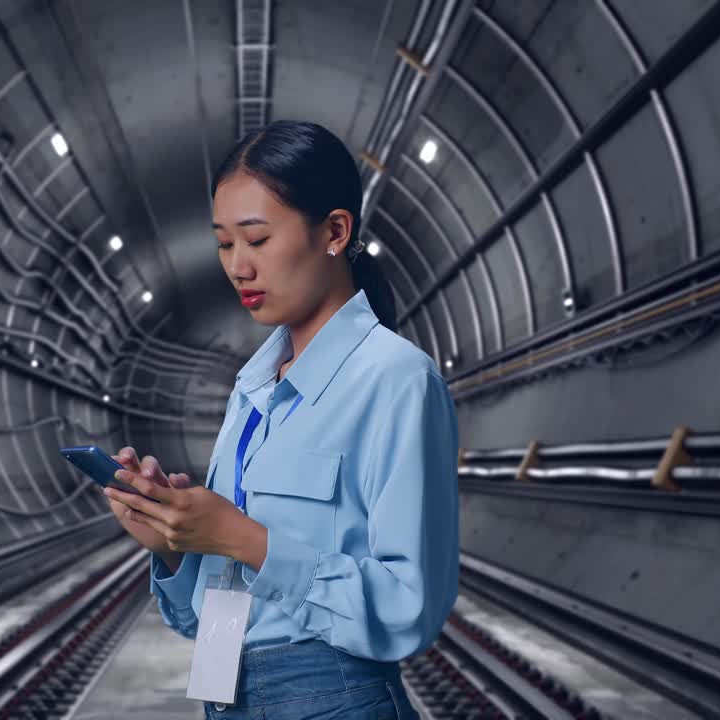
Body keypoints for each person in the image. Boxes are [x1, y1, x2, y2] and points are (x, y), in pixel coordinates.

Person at [103, 119, 460, 719]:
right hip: (224, 691)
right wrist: (171, 546)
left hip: (334, 699)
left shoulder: (396, 380)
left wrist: (240, 537)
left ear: (334, 231)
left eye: (257, 239)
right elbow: (206, 621)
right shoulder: (252, 390)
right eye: (223, 243)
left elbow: (410, 607)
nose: (237, 266)